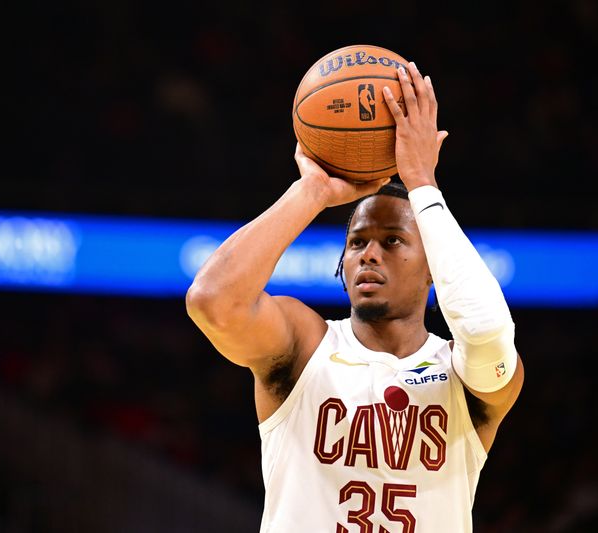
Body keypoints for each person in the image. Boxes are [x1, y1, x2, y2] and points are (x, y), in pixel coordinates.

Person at [185, 60, 524, 532]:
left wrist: (423, 185)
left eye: (392, 241)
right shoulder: (306, 346)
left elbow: (486, 328)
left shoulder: (463, 374)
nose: (368, 255)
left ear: (434, 269)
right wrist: (312, 192)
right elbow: (212, 301)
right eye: (357, 242)